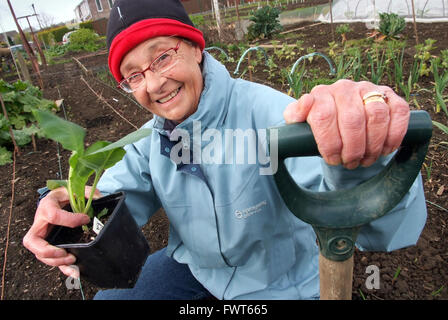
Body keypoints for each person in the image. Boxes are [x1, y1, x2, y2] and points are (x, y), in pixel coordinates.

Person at [23, 0, 427, 300]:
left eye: (162, 57)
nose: (153, 84)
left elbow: (373, 223)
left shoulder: (272, 115)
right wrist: (61, 206)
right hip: (198, 272)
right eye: (133, 77)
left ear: (196, 49)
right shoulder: (151, 139)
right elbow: (111, 199)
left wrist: (364, 150)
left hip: (279, 285)